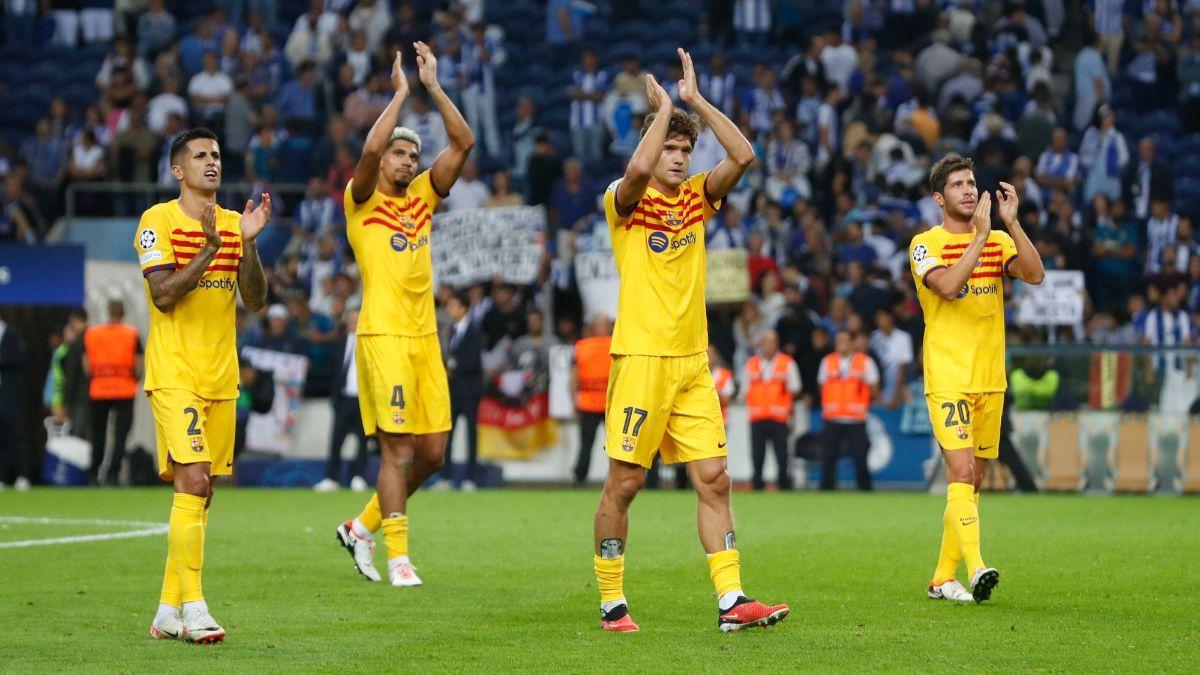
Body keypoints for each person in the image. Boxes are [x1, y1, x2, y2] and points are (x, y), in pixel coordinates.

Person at [591, 48, 788, 633]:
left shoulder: (700, 196)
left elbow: (745, 155)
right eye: (670, 149)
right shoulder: (624, 202)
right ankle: (611, 601)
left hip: (691, 361)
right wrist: (661, 114)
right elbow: (633, 174)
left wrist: (695, 102)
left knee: (716, 478)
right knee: (626, 483)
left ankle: (732, 602)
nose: (678, 159)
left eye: (684, 150)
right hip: (642, 358)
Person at [333, 45, 474, 588]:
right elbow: (367, 151)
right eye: (401, 154)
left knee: (433, 453)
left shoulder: (423, 197)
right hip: (383, 335)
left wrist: (434, 89)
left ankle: (361, 527)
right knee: (397, 449)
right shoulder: (361, 199)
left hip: (425, 337)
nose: (408, 162)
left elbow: (464, 143)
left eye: (413, 157)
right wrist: (399, 94)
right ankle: (399, 558)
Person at [137, 127, 271, 643]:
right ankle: (195, 607)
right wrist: (212, 249)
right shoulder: (157, 220)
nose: (211, 161)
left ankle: (167, 610)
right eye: (199, 156)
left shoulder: (237, 223)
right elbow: (164, 294)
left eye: (216, 154)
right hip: (175, 374)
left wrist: (247, 245)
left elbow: (255, 299)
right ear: (179, 170)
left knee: (202, 492)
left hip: (221, 378)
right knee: (192, 482)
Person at [908, 155, 1044, 604]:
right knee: (961, 472)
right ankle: (977, 566)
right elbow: (946, 287)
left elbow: (1035, 274)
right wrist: (981, 238)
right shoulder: (923, 244)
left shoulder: (998, 239)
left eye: (971, 183)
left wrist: (1012, 224)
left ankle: (941, 578)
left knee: (972, 483)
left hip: (990, 379)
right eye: (958, 185)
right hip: (948, 376)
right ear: (938, 198)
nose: (969, 190)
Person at [83, 300, 142, 486]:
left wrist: (95, 378)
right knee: (121, 435)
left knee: (98, 434)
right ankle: (112, 474)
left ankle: (94, 473)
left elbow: (86, 363)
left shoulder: (93, 333)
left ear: (108, 312)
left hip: (99, 389)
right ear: (123, 313)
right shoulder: (131, 334)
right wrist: (134, 379)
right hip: (125, 389)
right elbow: (139, 363)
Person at [314, 307, 370, 492]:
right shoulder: (338, 343)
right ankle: (331, 478)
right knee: (336, 439)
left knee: (363, 441)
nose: (355, 322)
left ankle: (359, 477)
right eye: (352, 319)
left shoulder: (370, 344)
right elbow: (332, 370)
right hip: (343, 398)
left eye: (358, 319)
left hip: (364, 400)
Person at [817, 329, 878, 491]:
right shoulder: (827, 361)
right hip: (833, 416)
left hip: (856, 417)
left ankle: (864, 488)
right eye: (838, 341)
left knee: (860, 456)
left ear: (852, 343)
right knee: (828, 456)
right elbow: (822, 386)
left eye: (845, 340)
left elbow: (873, 388)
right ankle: (826, 489)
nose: (841, 344)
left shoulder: (865, 362)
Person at [741, 330, 801, 491]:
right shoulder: (751, 364)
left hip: (779, 417)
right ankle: (757, 485)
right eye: (765, 342)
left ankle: (783, 484)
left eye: (771, 342)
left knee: (782, 455)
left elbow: (795, 389)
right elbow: (745, 389)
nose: (768, 345)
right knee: (757, 455)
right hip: (757, 416)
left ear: (777, 344)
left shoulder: (787, 363)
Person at [443, 293, 484, 491]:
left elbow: (474, 361)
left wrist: (453, 367)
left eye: (453, 305)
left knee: (470, 435)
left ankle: (470, 478)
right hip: (452, 391)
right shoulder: (452, 330)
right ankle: (446, 477)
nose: (449, 309)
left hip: (469, 390)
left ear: (463, 308)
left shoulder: (474, 331)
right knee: (448, 436)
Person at [572, 313, 612, 487]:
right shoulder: (616, 345)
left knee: (588, 444)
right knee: (615, 447)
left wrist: (574, 400)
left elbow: (573, 377)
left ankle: (580, 479)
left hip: (597, 403)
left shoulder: (581, 346)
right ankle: (615, 479)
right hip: (604, 404)